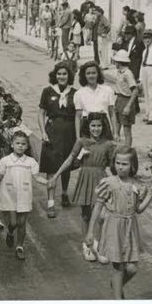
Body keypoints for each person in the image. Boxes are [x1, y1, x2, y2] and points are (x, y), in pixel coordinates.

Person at [88, 147, 152, 300]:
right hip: (114, 226)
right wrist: (90, 231)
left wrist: (150, 195)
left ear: (133, 165)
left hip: (130, 227)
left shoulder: (136, 184)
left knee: (132, 268)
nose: (120, 167)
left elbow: (138, 209)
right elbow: (98, 207)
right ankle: (118, 298)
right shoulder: (109, 183)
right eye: (117, 163)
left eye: (125, 164)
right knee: (118, 266)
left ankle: (116, 285)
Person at [50, 112, 115, 263]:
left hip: (101, 179)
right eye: (93, 126)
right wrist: (55, 176)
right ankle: (87, 245)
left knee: (101, 216)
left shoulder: (108, 144)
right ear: (88, 126)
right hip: (85, 178)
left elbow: (114, 166)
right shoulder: (81, 142)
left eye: (99, 126)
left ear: (103, 126)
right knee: (86, 214)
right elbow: (70, 161)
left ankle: (98, 245)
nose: (96, 129)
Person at [0, 130, 47, 260]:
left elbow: (37, 177)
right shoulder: (5, 160)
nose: (20, 146)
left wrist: (47, 182)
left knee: (22, 222)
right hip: (9, 194)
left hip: (24, 195)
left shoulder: (30, 162)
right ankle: (11, 232)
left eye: (23, 144)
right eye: (17, 143)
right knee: (13, 222)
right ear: (12, 144)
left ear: (27, 146)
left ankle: (19, 247)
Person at [38, 62, 77, 217]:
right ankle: (51, 202)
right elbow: (41, 113)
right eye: (59, 74)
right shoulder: (47, 91)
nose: (62, 77)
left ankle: (65, 193)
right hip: (52, 132)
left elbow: (79, 116)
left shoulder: (74, 92)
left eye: (65, 74)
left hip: (69, 133)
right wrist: (43, 132)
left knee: (66, 164)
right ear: (55, 75)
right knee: (51, 167)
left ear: (69, 76)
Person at [74, 61, 117, 141]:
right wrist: (78, 137)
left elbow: (112, 113)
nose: (91, 76)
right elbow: (78, 116)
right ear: (84, 75)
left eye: (94, 73)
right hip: (86, 125)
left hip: (103, 124)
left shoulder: (107, 90)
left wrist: (115, 132)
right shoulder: (79, 93)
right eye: (88, 73)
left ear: (98, 74)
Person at [108, 50, 139, 146]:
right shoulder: (119, 72)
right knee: (116, 125)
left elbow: (135, 90)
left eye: (116, 61)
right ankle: (115, 146)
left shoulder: (127, 73)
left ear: (119, 62)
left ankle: (128, 149)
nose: (115, 63)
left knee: (126, 128)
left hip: (126, 100)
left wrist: (128, 106)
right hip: (119, 99)